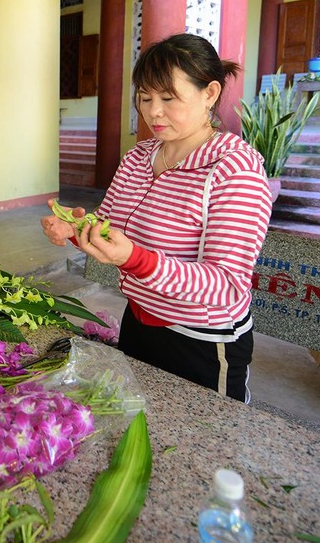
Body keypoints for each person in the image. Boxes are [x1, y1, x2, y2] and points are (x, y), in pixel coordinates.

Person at [42, 33, 272, 403]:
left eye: (168, 98)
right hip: (139, 317)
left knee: (204, 442)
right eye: (145, 98)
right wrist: (76, 229)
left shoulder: (234, 169)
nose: (153, 112)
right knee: (140, 421)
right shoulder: (138, 158)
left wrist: (134, 259)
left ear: (209, 94)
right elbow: (110, 223)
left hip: (201, 338)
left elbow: (227, 283)